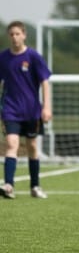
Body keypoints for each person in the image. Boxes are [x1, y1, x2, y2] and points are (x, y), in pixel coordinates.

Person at [0, 21, 52, 199]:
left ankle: (35, 186)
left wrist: (46, 106)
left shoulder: (33, 57)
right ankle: (8, 185)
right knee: (11, 144)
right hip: (10, 110)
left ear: (24, 35)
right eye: (11, 34)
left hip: (32, 111)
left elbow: (45, 82)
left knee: (31, 146)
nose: (14, 37)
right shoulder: (3, 58)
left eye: (17, 34)